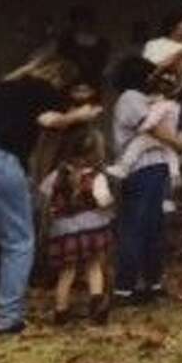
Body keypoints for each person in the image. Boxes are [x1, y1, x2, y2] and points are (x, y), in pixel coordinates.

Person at [0, 55, 101, 334]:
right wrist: (81, 114)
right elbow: (52, 121)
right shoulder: (43, 90)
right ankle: (8, 319)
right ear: (62, 81)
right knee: (18, 241)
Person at [111, 55, 182, 305]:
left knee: (152, 228)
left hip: (156, 166)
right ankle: (126, 287)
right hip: (141, 168)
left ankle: (151, 283)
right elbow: (150, 127)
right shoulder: (131, 97)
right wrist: (179, 144)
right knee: (136, 226)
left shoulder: (146, 98)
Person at [38, 127, 114, 326]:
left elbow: (44, 193)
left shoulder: (57, 174)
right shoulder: (97, 177)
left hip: (64, 231)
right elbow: (103, 200)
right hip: (92, 228)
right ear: (97, 153)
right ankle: (97, 307)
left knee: (67, 272)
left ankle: (61, 311)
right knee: (94, 266)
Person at [56, 5, 111, 101]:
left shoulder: (103, 44)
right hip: (70, 89)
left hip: (91, 88)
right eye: (79, 20)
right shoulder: (65, 43)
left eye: (84, 20)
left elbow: (104, 68)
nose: (82, 23)